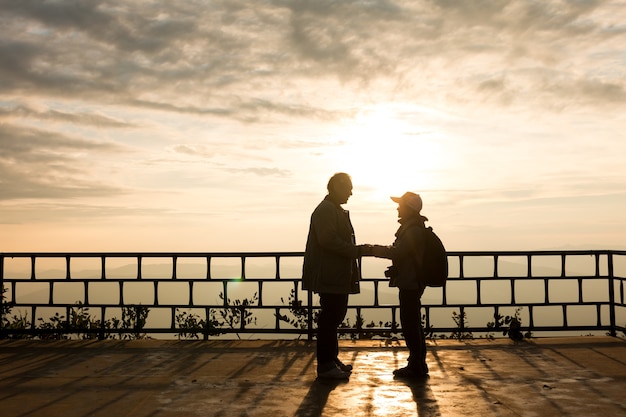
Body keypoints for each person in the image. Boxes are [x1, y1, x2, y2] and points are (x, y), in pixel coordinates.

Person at [302, 172, 372, 380]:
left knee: (334, 316)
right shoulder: (326, 210)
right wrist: (355, 251)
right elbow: (328, 240)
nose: (351, 192)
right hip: (329, 274)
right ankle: (325, 364)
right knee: (330, 318)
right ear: (335, 188)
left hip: (336, 273)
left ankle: (331, 359)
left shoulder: (333, 209)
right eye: (347, 188)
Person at [371, 191, 429, 378]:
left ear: (409, 209)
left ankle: (416, 365)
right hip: (412, 280)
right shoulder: (414, 227)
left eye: (401, 205)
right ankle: (418, 363)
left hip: (411, 283)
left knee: (410, 323)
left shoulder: (412, 230)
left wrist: (372, 250)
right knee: (413, 322)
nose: (397, 208)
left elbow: (399, 252)